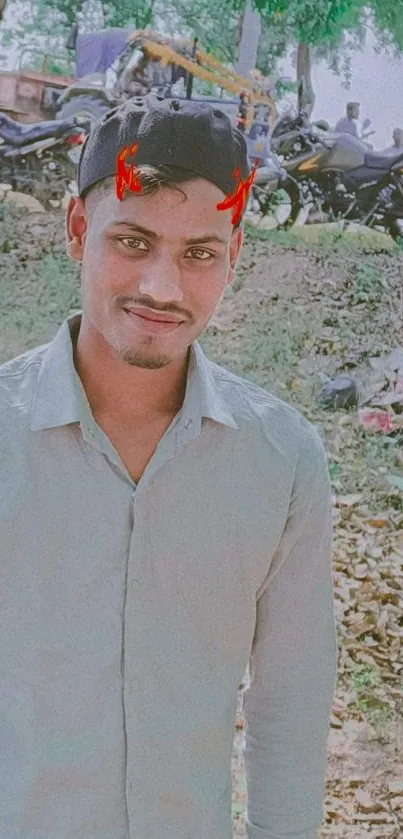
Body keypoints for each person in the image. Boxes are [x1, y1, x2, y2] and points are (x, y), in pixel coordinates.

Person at [0, 97, 337, 839]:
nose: (161, 287)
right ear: (77, 229)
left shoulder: (279, 460)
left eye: (198, 253)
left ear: (234, 255)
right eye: (132, 239)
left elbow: (289, 694)